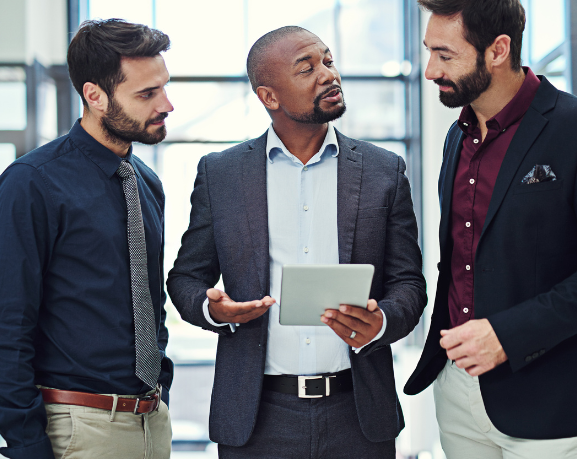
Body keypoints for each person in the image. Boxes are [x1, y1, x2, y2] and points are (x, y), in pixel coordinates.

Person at [166, 26, 427, 458]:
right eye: (307, 69)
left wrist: (381, 322)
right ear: (270, 97)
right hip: (256, 418)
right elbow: (185, 279)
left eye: (327, 61)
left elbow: (409, 284)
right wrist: (213, 310)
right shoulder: (222, 174)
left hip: (359, 415)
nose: (327, 74)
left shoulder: (384, 170)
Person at [404, 1, 577, 458]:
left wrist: (507, 336)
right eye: (428, 51)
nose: (430, 69)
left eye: (445, 54)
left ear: (498, 50)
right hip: (456, 387)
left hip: (548, 397)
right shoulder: (455, 138)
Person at [0, 19, 175, 459]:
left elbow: (148, 304)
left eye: (163, 87)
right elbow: (2, 331)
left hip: (152, 423)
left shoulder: (146, 182)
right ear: (95, 96)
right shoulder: (31, 184)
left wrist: (162, 386)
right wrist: (29, 447)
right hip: (76, 430)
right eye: (147, 94)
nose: (167, 104)